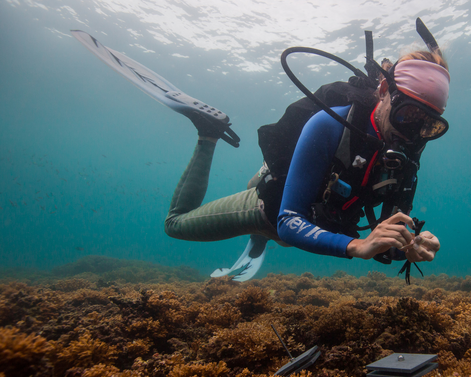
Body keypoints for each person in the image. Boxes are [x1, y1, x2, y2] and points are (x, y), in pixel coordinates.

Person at [163, 48, 450, 279]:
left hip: (316, 219)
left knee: (287, 229)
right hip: (270, 211)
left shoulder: (408, 153)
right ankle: (209, 133)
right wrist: (357, 246)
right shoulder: (330, 123)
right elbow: (288, 221)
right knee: (176, 225)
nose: (412, 133)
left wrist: (410, 247)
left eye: (428, 125)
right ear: (385, 89)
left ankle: (263, 222)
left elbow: (389, 240)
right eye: (407, 114)